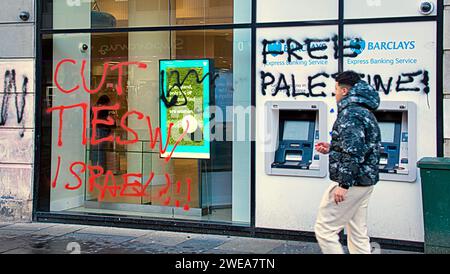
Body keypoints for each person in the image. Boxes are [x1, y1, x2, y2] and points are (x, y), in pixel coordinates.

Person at [314, 71, 381, 254]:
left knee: (324, 229)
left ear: (344, 90)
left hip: (352, 183)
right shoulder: (363, 111)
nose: (334, 93)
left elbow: (353, 152)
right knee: (358, 233)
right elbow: (359, 147)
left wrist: (344, 184)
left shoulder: (350, 114)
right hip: (365, 182)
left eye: (335, 89)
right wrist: (332, 148)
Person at [90, 95, 117, 170]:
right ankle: (100, 169)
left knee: (95, 150)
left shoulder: (93, 108)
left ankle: (95, 169)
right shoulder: (104, 109)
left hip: (94, 131)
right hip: (102, 131)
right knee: (101, 150)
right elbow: (108, 120)